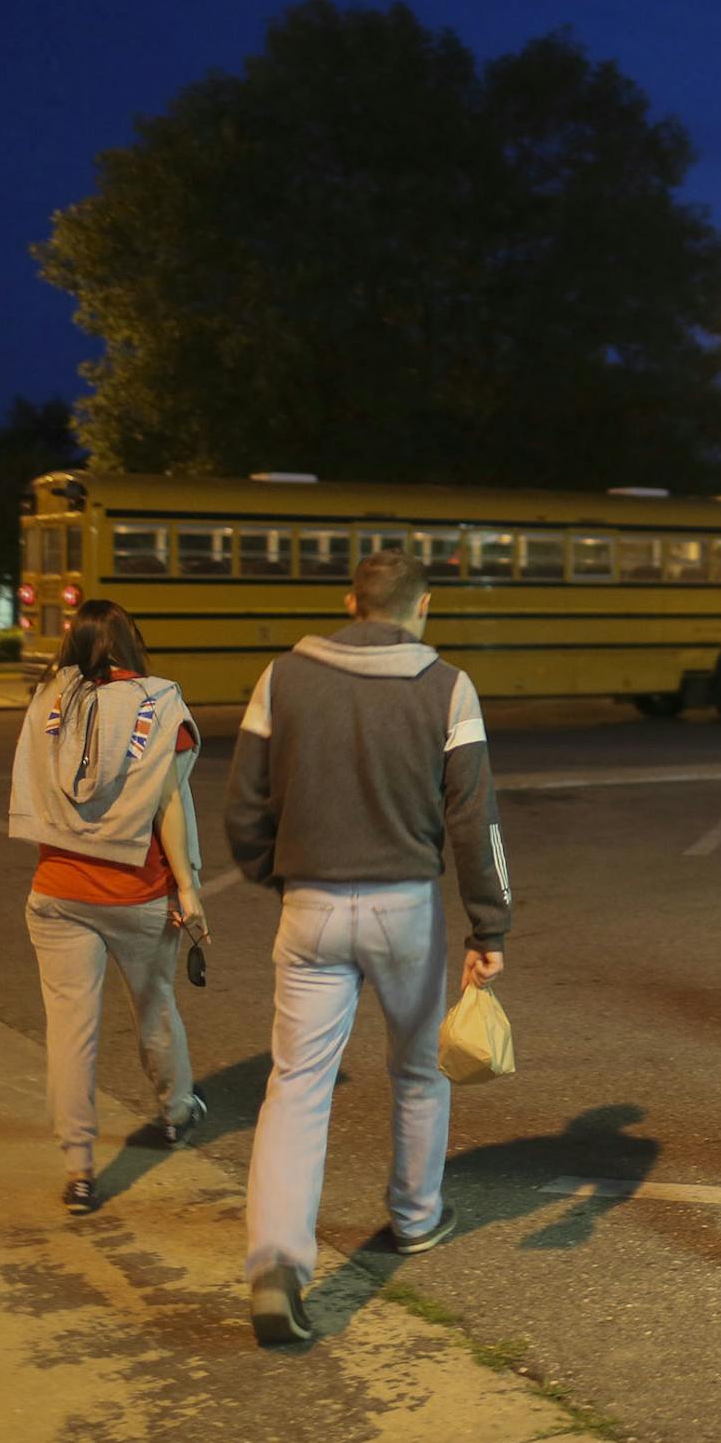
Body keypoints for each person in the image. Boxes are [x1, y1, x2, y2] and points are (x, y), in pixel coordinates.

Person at [226, 549, 511, 1345]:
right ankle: (416, 1216)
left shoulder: (281, 677)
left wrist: (274, 872)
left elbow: (244, 803)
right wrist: (489, 925)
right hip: (405, 909)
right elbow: (473, 819)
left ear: (351, 602)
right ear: (423, 608)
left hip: (309, 903)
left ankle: (279, 1262)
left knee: (296, 1083)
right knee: (419, 1069)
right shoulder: (448, 686)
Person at [7, 599, 208, 1217]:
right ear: (129, 643)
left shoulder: (48, 701)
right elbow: (169, 805)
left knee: (70, 1032)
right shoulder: (159, 701)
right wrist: (190, 889)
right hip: (137, 892)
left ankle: (79, 1170)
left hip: (57, 892)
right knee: (153, 1006)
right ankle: (176, 1111)